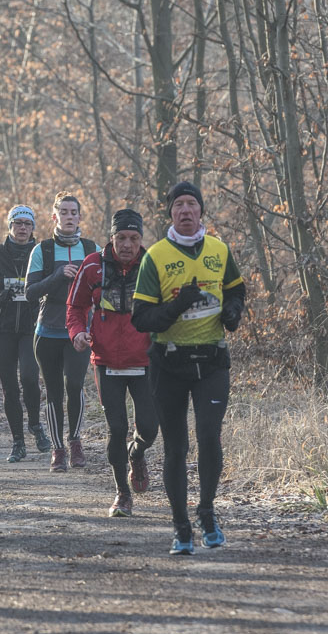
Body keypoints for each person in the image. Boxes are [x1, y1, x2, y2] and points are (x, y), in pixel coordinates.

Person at [132, 181, 245, 555]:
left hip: (212, 360)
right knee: (176, 446)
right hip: (169, 362)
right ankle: (181, 527)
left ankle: (207, 513)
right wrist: (178, 306)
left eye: (191, 204)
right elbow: (141, 319)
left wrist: (232, 311)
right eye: (177, 204)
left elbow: (236, 289)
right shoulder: (156, 256)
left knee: (210, 437)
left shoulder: (219, 249)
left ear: (201, 212)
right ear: (170, 213)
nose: (184, 210)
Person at [67, 209, 157, 518]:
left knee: (149, 428)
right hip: (106, 361)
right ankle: (122, 494)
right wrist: (78, 333)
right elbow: (75, 307)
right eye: (121, 238)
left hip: (144, 361)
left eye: (133, 238)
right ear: (111, 238)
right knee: (117, 428)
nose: (128, 244)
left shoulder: (152, 265)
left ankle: (138, 454)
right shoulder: (93, 266)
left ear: (141, 239)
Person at [25, 191, 100, 472]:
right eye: (64, 212)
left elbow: (106, 290)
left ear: (80, 217)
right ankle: (58, 449)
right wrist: (58, 275)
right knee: (54, 391)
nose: (69, 217)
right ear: (54, 217)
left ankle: (76, 442)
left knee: (75, 385)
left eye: (74, 212)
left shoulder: (93, 249)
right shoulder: (42, 250)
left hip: (80, 331)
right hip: (48, 330)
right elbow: (30, 292)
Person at [0, 204, 51, 463]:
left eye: (27, 224)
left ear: (33, 228)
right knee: (10, 387)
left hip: (33, 326)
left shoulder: (43, 252)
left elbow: (53, 285)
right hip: (3, 328)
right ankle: (18, 442)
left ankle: (36, 425)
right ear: (9, 226)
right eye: (17, 223)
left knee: (31, 378)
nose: (22, 228)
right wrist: (1, 295)